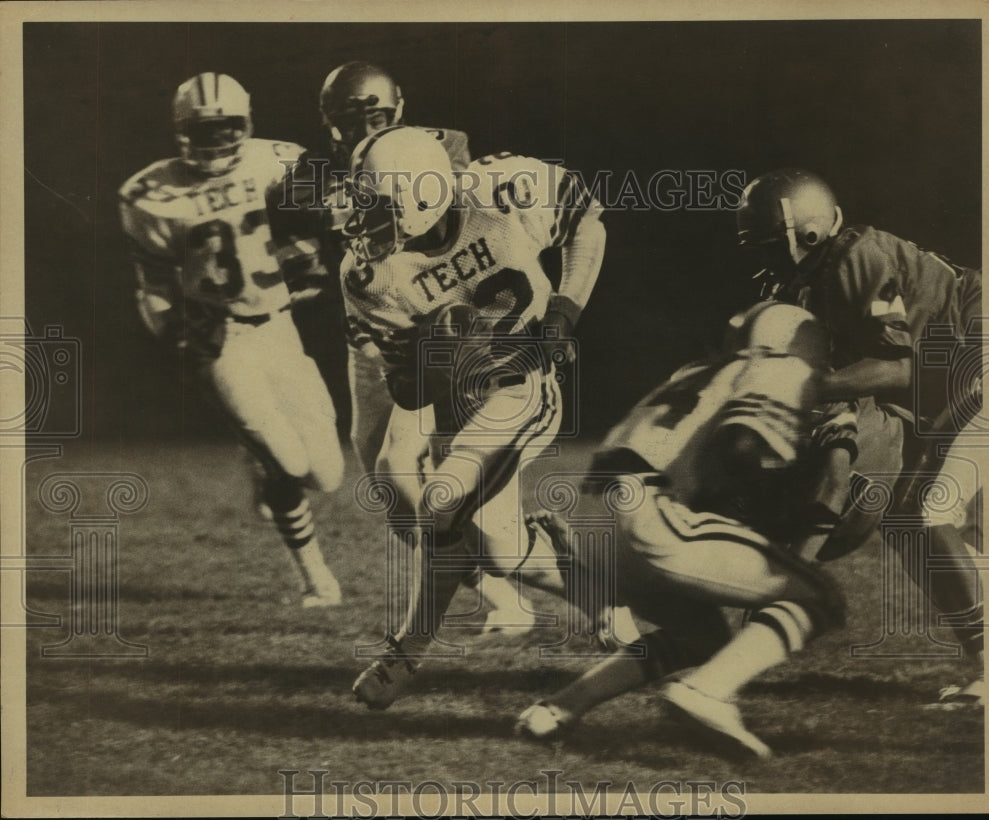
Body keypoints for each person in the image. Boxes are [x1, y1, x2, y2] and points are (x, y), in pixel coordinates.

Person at [341, 126, 607, 709]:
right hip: (457, 405)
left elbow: (587, 219)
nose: (359, 216)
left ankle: (409, 649)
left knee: (446, 505)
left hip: (523, 382)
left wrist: (563, 310)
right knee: (481, 540)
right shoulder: (369, 276)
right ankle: (600, 589)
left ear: (420, 197)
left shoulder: (499, 194)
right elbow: (408, 393)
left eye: (374, 202)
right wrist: (429, 359)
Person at [516, 302, 853, 758]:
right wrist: (776, 513)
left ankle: (558, 709)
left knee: (701, 638)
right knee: (820, 596)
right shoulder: (778, 366)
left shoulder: (693, 371)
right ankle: (710, 691)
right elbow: (742, 446)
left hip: (593, 515)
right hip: (648, 512)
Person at [267, 63, 529, 631]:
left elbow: (456, 224)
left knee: (437, 469)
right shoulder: (310, 175)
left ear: (398, 110)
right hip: (372, 343)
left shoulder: (438, 148)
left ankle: (509, 599)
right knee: (390, 489)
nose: (363, 129)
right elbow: (304, 259)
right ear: (329, 122)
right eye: (350, 119)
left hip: (444, 335)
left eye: (375, 116)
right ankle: (487, 581)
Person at [735, 168, 984, 705]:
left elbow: (899, 371)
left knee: (926, 509)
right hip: (952, 376)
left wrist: (801, 388)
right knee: (907, 518)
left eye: (769, 245)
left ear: (807, 232)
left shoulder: (854, 260)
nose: (764, 260)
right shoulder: (809, 279)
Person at [119, 72, 344, 608]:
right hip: (224, 342)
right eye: (204, 129)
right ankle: (316, 578)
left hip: (281, 330)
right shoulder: (150, 194)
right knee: (286, 464)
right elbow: (152, 287)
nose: (217, 140)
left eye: (226, 128)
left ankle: (258, 460)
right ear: (181, 130)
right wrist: (178, 335)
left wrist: (310, 236)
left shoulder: (280, 160)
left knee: (328, 475)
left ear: (246, 125)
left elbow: (331, 202)